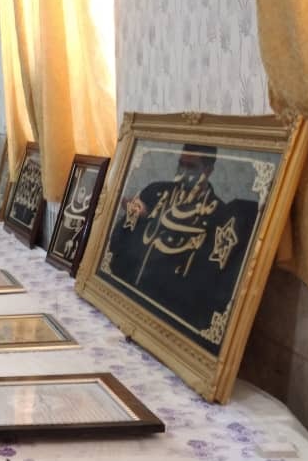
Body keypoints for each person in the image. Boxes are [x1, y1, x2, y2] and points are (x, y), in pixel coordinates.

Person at [107, 144, 256, 351]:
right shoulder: (155, 192)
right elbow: (118, 240)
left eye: (191, 166)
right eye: (181, 164)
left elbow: (205, 284)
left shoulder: (218, 216)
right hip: (122, 301)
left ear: (208, 170)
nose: (183, 172)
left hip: (167, 323)